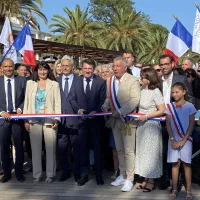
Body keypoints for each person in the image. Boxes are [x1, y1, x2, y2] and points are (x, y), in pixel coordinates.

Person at [102, 56, 141, 192]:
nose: (115, 68)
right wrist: (104, 106)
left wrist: (120, 111)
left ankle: (130, 178)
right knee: (119, 149)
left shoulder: (133, 80)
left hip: (127, 120)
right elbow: (108, 97)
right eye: (114, 66)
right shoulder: (110, 80)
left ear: (125, 67)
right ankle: (123, 175)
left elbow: (135, 99)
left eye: (118, 66)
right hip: (115, 121)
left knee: (129, 150)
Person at [158, 54, 194, 190]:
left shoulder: (181, 78)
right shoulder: (157, 79)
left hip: (178, 122)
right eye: (161, 65)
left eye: (166, 64)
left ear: (172, 64)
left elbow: (190, 98)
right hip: (161, 120)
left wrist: (182, 111)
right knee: (165, 150)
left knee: (181, 154)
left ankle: (178, 181)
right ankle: (166, 178)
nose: (163, 67)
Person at [23, 61, 61, 184]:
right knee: (36, 149)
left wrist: (57, 118)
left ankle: (50, 174)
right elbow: (27, 102)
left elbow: (57, 103)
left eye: (45, 69)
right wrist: (26, 120)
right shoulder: (30, 83)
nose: (42, 72)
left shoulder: (54, 84)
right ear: (36, 71)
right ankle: (37, 175)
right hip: (34, 121)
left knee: (50, 149)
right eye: (40, 69)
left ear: (48, 71)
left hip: (50, 120)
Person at [70, 58, 106, 186]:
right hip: (82, 121)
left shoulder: (101, 82)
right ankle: (84, 174)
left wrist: (95, 111)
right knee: (82, 149)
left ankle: (99, 175)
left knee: (98, 149)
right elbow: (72, 99)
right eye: (85, 68)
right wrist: (78, 110)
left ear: (93, 69)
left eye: (90, 68)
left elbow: (103, 100)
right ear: (82, 68)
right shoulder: (76, 81)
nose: (87, 71)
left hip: (96, 121)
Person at [135, 68, 165, 192]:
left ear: (149, 78)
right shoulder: (141, 91)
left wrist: (147, 116)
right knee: (143, 153)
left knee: (151, 154)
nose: (140, 79)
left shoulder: (156, 91)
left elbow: (162, 110)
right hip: (141, 126)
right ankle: (145, 178)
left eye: (142, 77)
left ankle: (151, 181)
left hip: (151, 125)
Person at [165, 82, 196, 200]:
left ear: (184, 92)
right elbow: (167, 124)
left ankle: (188, 191)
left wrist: (184, 139)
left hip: (186, 139)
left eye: (177, 92)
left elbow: (192, 124)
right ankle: (174, 189)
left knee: (186, 164)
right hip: (173, 139)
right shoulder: (169, 107)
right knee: (175, 164)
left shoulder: (190, 106)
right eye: (173, 92)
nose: (174, 94)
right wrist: (172, 138)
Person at [0, 58, 26, 183]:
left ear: (13, 68)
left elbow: (26, 97)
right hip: (3, 119)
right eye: (6, 66)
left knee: (19, 146)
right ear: (1, 68)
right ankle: (6, 173)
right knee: (4, 147)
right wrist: (1, 112)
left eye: (10, 66)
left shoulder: (21, 80)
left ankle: (19, 172)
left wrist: (21, 108)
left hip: (17, 118)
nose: (8, 69)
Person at [57, 56, 80, 182]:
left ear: (73, 67)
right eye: (63, 65)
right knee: (62, 148)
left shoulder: (79, 80)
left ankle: (77, 171)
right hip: (61, 121)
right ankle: (65, 171)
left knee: (76, 148)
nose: (65, 68)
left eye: (67, 65)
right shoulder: (56, 80)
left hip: (75, 120)